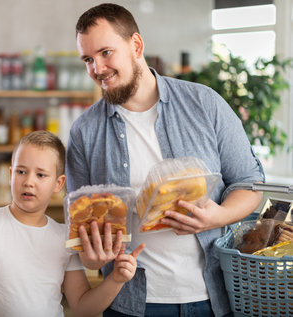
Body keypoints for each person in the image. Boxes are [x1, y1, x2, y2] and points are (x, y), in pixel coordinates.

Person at [66, 3, 265, 317]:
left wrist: (218, 216)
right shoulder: (84, 132)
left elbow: (250, 185)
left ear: (136, 45)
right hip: (130, 304)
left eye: (106, 53)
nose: (97, 69)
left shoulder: (205, 104)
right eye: (88, 59)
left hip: (213, 298)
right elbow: (83, 236)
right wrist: (93, 255)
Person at [0, 130, 145, 317]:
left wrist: (116, 280)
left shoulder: (64, 236)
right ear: (10, 175)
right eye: (21, 171)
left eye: (41, 174)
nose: (29, 181)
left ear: (58, 184)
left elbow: (82, 307)